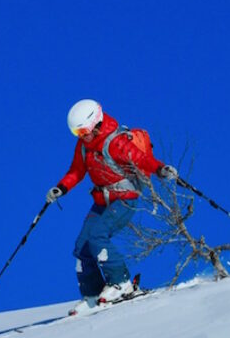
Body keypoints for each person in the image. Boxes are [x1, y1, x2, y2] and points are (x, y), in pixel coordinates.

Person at [46, 99, 178, 314]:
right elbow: (77, 171)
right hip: (102, 200)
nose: (81, 136)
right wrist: (61, 188)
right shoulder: (83, 146)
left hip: (125, 198)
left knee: (98, 236)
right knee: (82, 247)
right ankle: (92, 294)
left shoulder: (114, 142)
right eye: (75, 132)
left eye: (83, 130)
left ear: (96, 123)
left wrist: (161, 169)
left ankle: (121, 283)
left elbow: (141, 159)